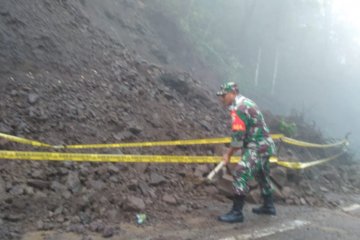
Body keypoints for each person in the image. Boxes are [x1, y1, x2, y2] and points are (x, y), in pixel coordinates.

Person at [216, 82, 276, 223]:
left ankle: (237, 213)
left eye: (224, 95)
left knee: (240, 172)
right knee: (261, 174)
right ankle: (269, 205)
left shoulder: (239, 109)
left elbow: (237, 138)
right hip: (264, 146)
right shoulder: (245, 102)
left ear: (233, 93)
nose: (221, 98)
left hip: (257, 147)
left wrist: (228, 155)